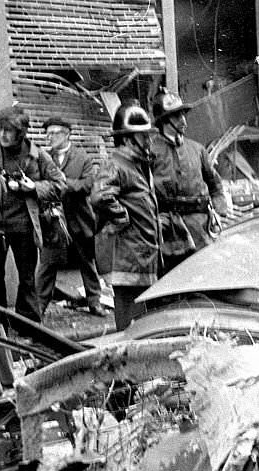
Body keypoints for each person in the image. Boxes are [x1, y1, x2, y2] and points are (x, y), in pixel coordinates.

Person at [0, 106, 66, 322]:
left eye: (8, 130)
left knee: (27, 278)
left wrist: (34, 188)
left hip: (25, 227)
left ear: (20, 133)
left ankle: (28, 323)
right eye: (0, 129)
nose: (2, 134)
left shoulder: (37, 155)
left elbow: (60, 184)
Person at [90, 103, 161, 331]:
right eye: (144, 137)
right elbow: (100, 196)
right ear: (128, 140)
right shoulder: (116, 165)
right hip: (128, 259)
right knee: (131, 321)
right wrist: (122, 218)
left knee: (144, 319)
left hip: (140, 257)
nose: (149, 142)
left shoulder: (136, 166)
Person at [150, 88, 227, 276]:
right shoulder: (151, 152)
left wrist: (220, 208)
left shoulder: (197, 150)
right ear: (164, 121)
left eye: (183, 115)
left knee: (204, 274)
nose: (183, 121)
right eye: (176, 117)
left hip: (200, 226)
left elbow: (214, 183)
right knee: (171, 277)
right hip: (168, 229)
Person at [36, 117, 106, 318]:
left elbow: (88, 185)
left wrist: (63, 185)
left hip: (78, 219)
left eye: (54, 133)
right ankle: (39, 307)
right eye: (47, 134)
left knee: (87, 262)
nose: (50, 137)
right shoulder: (43, 157)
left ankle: (95, 302)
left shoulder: (82, 157)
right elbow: (41, 185)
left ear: (67, 134)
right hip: (54, 221)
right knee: (48, 264)